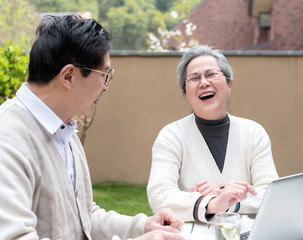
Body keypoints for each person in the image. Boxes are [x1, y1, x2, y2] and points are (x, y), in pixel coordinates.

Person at [0, 15, 185, 240]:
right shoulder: (8, 138)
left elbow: (83, 217)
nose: (105, 87)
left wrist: (144, 227)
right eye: (104, 75)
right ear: (69, 76)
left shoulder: (64, 129)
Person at [147, 45, 279, 223]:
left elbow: (272, 194)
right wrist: (213, 203)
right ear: (186, 92)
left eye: (210, 74)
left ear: (229, 84)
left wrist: (228, 200)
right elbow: (160, 196)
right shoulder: (171, 136)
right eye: (194, 78)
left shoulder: (254, 133)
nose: (203, 82)